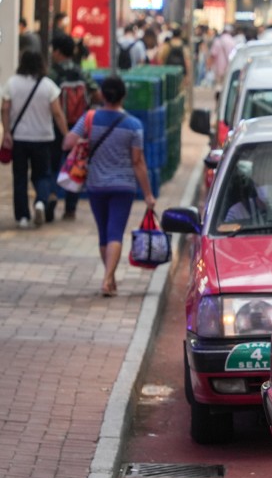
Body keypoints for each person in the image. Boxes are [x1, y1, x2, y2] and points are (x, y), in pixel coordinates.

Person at [61, 76, 156, 297]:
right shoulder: (134, 125)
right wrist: (148, 194)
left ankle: (109, 277)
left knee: (104, 235)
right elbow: (138, 162)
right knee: (115, 233)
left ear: (102, 95)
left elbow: (68, 142)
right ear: (124, 96)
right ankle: (108, 279)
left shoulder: (89, 118)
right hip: (124, 187)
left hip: (96, 185)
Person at [2, 49, 69, 229]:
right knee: (43, 174)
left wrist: (6, 131)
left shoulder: (12, 83)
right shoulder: (48, 85)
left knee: (20, 177)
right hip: (43, 138)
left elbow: (5, 108)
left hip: (20, 139)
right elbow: (57, 112)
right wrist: (66, 133)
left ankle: (22, 217)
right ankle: (40, 201)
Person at [48, 34, 102, 221]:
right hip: (80, 128)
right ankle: (70, 209)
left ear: (57, 51)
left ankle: (50, 198)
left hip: (55, 127)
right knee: (76, 166)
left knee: (52, 165)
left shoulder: (52, 73)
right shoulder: (81, 73)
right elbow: (96, 95)